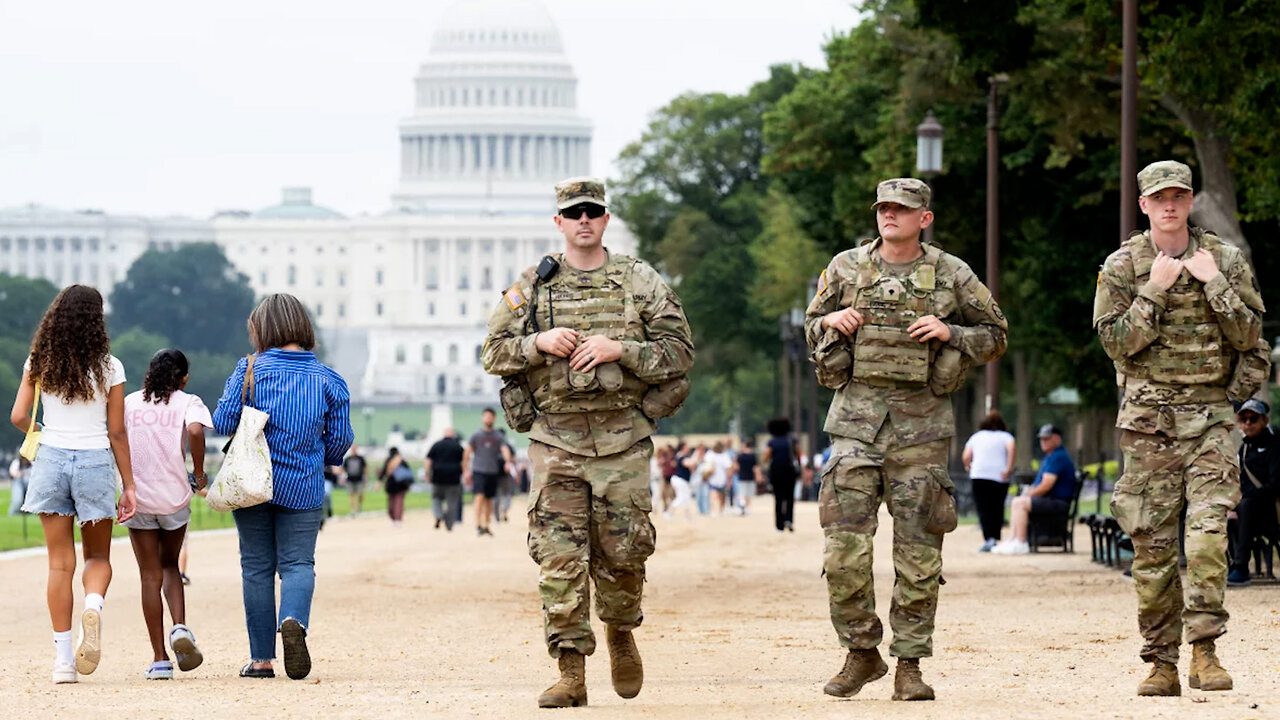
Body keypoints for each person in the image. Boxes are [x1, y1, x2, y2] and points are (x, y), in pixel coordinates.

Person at [482, 176, 694, 708]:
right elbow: (493, 353)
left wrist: (618, 349)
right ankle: (570, 670)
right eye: (573, 213)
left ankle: (620, 632)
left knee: (623, 555)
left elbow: (679, 352)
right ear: (558, 222)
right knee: (559, 559)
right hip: (557, 441)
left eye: (592, 212)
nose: (583, 221)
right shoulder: (532, 286)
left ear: (604, 220)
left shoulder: (638, 281)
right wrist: (538, 342)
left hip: (622, 441)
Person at [806, 179, 1007, 701]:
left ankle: (910, 666)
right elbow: (810, 327)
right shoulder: (846, 266)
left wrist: (952, 334)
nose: (890, 215)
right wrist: (829, 319)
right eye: (884, 208)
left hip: (922, 432)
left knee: (919, 558)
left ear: (926, 218)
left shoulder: (951, 273)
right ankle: (861, 652)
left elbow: (997, 334)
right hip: (854, 426)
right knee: (843, 553)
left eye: (902, 209)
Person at [1093, 160, 1265, 696]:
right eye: (1159, 198)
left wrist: (1213, 282)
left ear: (1191, 201)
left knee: (1209, 536)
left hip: (1211, 420)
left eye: (1179, 196)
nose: (1170, 205)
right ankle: (1161, 662)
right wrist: (1155, 291)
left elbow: (1250, 336)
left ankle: (1205, 650)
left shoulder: (1226, 261)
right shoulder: (1123, 265)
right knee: (1152, 548)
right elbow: (1116, 343)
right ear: (1143, 205)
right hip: (1148, 426)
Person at [213, 293, 353, 681]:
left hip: (251, 481)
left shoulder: (249, 369)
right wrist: (317, 456)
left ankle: (261, 660)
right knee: (298, 564)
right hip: (304, 484)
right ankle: (292, 619)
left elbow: (223, 421)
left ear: (262, 329)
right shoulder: (328, 378)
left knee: (257, 568)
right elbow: (341, 438)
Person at [8, 285, 137, 684]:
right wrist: (129, 486)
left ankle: (64, 661)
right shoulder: (110, 367)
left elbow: (17, 416)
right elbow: (116, 432)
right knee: (97, 559)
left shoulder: (39, 361)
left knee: (59, 565)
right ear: (97, 320)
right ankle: (93, 606)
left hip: (51, 459)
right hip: (95, 461)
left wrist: (45, 432)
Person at [122, 349, 212, 679]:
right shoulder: (188, 402)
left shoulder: (130, 402)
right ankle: (180, 628)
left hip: (139, 497)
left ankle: (160, 660)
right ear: (183, 378)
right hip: (174, 497)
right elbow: (195, 432)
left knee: (149, 575)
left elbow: (115, 437)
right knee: (170, 565)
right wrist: (199, 473)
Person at [992, 425, 1076, 555]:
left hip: (1058, 503)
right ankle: (1013, 540)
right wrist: (1029, 492)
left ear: (1057, 439)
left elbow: (1046, 485)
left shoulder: (1058, 457)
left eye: (1047, 439)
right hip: (1051, 501)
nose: (1043, 441)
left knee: (1020, 503)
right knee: (1017, 501)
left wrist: (1030, 493)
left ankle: (1020, 542)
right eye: (1042, 439)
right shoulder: (1051, 456)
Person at [1227, 399, 1279, 587]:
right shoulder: (1244, 448)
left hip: (1270, 510)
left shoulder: (1274, 446)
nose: (1248, 423)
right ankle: (1227, 566)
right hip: (1246, 508)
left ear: (1264, 420)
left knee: (1247, 504)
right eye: (1243, 419)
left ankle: (1241, 568)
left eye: (1253, 418)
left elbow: (1275, 485)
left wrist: (1247, 498)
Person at [962, 411, 1016, 552]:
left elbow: (966, 456)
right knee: (997, 507)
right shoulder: (1006, 436)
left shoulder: (976, 437)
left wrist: (969, 467)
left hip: (979, 475)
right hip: (999, 476)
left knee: (983, 508)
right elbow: (1011, 450)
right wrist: (1008, 469)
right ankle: (995, 536)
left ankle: (988, 538)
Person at [464, 408, 511, 537]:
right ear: (482, 418)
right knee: (479, 496)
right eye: (486, 417)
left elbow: (504, 449)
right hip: (479, 470)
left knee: (489, 499)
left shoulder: (498, 436)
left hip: (492, 471)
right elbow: (467, 453)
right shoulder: (476, 435)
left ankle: (486, 524)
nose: (488, 419)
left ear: (494, 419)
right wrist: (466, 470)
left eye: (491, 417)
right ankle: (478, 524)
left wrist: (507, 461)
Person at [762, 418, 800, 532]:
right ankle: (789, 519)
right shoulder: (792, 440)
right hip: (790, 470)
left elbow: (765, 457)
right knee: (789, 497)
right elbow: (798, 454)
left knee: (778, 498)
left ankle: (779, 524)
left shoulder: (772, 441)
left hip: (776, 471)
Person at [425, 428, 464, 531]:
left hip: (437, 477)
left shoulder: (436, 445)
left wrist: (427, 474)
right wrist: (465, 474)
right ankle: (449, 525)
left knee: (436, 498)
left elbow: (428, 460)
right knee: (452, 502)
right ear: (453, 435)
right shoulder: (458, 446)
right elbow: (464, 462)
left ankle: (438, 514)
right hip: (454, 478)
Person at [379, 447, 413, 526]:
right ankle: (397, 519)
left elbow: (384, 472)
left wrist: (379, 482)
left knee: (392, 503)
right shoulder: (402, 461)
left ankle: (395, 518)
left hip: (393, 485)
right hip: (400, 485)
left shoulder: (389, 461)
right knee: (398, 502)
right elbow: (408, 473)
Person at [701, 441, 733, 515]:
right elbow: (729, 468)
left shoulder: (714, 455)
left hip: (717, 478)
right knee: (717, 495)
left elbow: (705, 464)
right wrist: (729, 479)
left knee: (717, 495)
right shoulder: (722, 455)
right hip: (717, 478)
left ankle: (717, 510)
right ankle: (717, 510)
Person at [342, 445, 367, 515]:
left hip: (359, 479)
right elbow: (344, 469)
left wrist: (366, 478)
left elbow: (365, 468)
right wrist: (343, 477)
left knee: (360, 494)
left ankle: (359, 507)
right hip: (350, 479)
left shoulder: (360, 458)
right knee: (351, 495)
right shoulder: (347, 459)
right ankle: (353, 510)